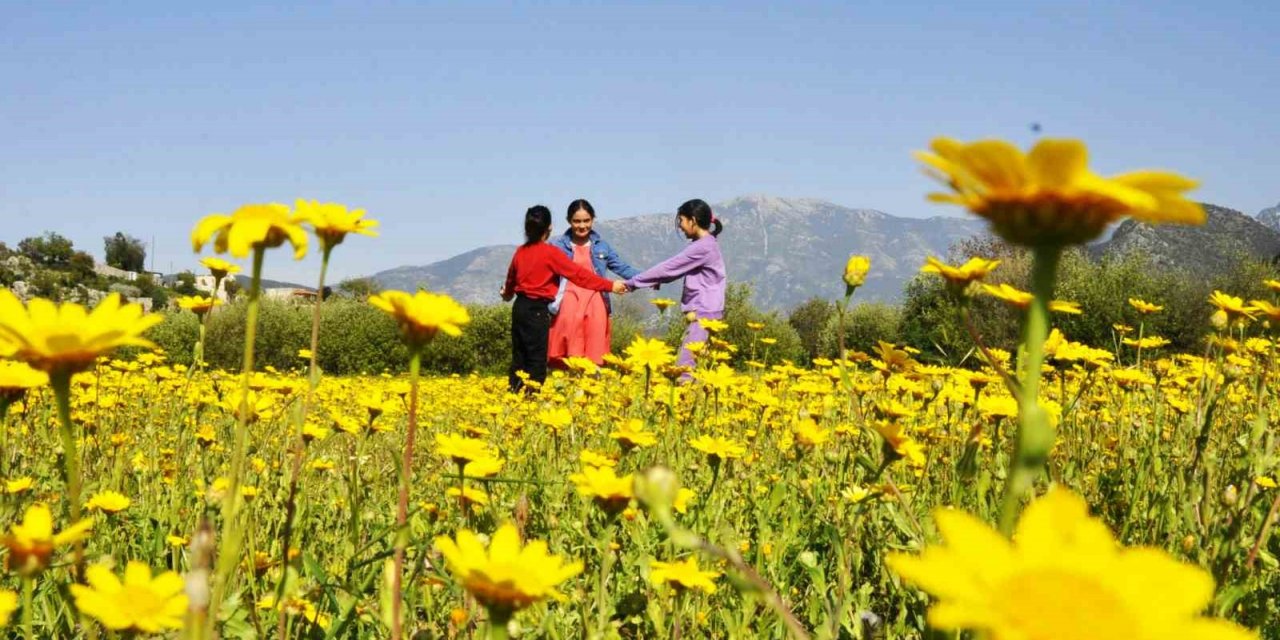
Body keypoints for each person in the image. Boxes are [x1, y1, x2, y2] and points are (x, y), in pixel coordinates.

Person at [501, 205, 628, 393]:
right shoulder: (551, 253)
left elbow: (510, 281)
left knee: (519, 356)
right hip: (538, 310)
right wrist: (610, 286)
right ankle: (530, 399)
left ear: (527, 228)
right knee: (537, 358)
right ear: (550, 227)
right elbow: (579, 275)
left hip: (519, 308)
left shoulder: (520, 251)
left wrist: (507, 293)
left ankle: (513, 394)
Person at [624, 198, 725, 376]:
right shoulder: (707, 244)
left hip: (704, 313)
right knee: (699, 366)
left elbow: (669, 268)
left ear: (693, 220)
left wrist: (632, 283)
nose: (679, 226)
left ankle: (682, 392)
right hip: (709, 311)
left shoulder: (703, 247)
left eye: (681, 221)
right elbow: (675, 271)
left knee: (685, 366)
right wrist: (654, 280)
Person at [546, 199, 639, 367]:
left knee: (594, 353)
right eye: (577, 221)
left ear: (593, 220)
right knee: (569, 357)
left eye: (586, 220)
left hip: (596, 303)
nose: (582, 226)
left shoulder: (602, 246)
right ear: (569, 221)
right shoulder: (556, 245)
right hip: (568, 303)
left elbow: (622, 268)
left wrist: (648, 278)